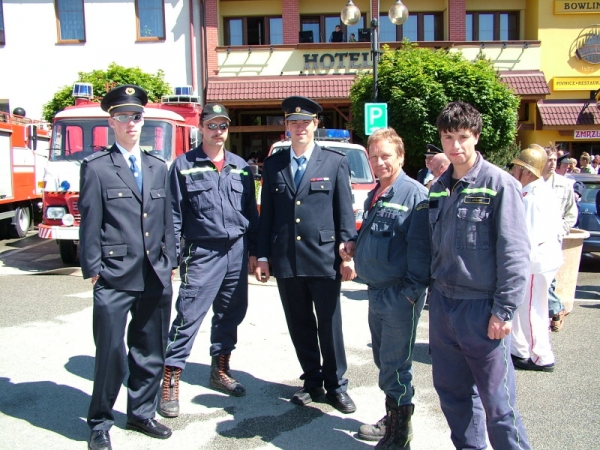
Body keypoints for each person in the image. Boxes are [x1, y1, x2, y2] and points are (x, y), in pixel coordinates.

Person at [428, 101, 532, 449]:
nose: (455, 145)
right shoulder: (438, 187)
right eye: (447, 137)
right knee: (452, 394)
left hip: (481, 308)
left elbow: (515, 253)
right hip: (443, 305)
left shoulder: (499, 185)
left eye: (462, 136)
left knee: (498, 404)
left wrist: (504, 311)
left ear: (476, 136)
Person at [79, 84, 177, 450]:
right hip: (115, 274)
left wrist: (170, 260)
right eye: (123, 117)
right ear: (111, 122)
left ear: (142, 121)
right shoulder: (97, 167)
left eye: (136, 116)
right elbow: (90, 222)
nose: (130, 123)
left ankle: (141, 413)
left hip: (154, 273)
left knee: (150, 350)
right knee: (110, 353)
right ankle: (100, 422)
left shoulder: (157, 166)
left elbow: (166, 219)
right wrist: (94, 269)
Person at [255, 96, 357, 414]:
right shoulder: (273, 165)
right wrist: (262, 256)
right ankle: (312, 382)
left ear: (315, 125)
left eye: (305, 122)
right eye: (293, 122)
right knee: (299, 324)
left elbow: (344, 212)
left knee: (329, 325)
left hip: (324, 257)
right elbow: (267, 215)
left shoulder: (334, 162)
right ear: (286, 127)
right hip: (286, 258)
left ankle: (336, 385)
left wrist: (348, 255)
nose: (299, 127)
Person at [159, 103, 259, 418]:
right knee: (188, 315)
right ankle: (170, 378)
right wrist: (172, 258)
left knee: (230, 313)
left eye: (223, 126)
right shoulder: (183, 165)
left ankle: (220, 370)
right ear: (201, 128)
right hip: (202, 251)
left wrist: (255, 253)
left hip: (237, 250)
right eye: (212, 125)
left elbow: (251, 213)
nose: (218, 131)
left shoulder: (241, 167)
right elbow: (173, 215)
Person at [346, 128, 430, 448]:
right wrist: (355, 245)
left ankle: (399, 436)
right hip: (377, 291)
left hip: (399, 295)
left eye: (386, 156)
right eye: (374, 157)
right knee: (385, 362)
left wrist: (408, 294)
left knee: (396, 367)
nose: (379, 162)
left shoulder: (414, 195)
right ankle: (393, 418)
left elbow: (423, 251)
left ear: (401, 157)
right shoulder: (377, 193)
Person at [510, 146, 563, 372]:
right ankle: (521, 350)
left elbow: (529, 237)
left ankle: (541, 356)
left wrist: (519, 267)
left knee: (531, 310)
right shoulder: (536, 192)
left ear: (527, 171)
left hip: (534, 263)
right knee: (525, 308)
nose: (514, 171)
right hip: (539, 260)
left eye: (517, 168)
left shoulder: (532, 197)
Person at [541, 145, 578, 332]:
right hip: (534, 237)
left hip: (553, 238)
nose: (552, 163)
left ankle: (554, 310)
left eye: (555, 160)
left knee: (548, 279)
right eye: (549, 160)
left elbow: (571, 213)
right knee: (539, 279)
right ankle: (554, 309)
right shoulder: (533, 182)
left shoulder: (564, 184)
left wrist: (560, 230)